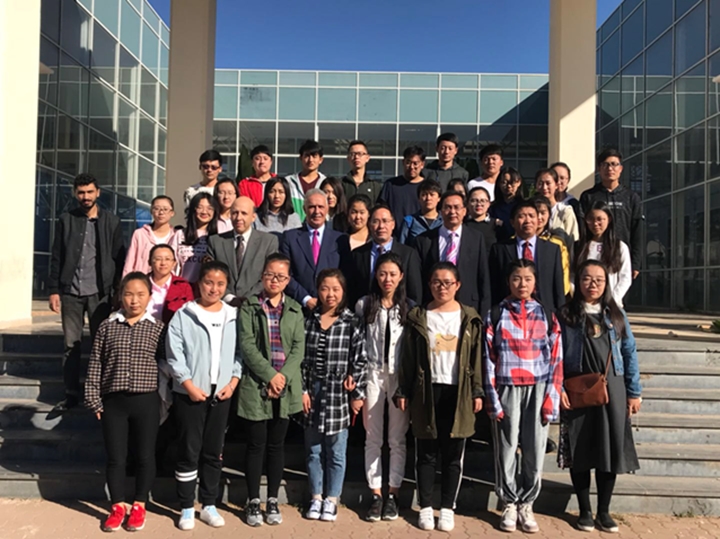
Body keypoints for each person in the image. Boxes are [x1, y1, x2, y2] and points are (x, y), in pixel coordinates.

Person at [395, 262, 483, 532]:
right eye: (436, 282)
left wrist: (477, 390)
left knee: (453, 454)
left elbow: (476, 358)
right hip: (427, 391)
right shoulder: (419, 316)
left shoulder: (469, 318)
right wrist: (404, 389)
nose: (441, 287)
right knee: (426, 452)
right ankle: (425, 506)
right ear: (429, 284)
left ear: (457, 285)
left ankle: (447, 508)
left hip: (458, 391)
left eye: (447, 283)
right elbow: (408, 358)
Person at [558, 260, 641, 533]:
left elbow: (629, 352)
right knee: (580, 448)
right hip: (578, 387)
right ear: (578, 281)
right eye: (586, 278)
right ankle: (584, 511)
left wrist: (634, 392)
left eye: (599, 280)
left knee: (609, 449)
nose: (592, 284)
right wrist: (558, 387)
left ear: (606, 284)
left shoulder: (616, 315)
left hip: (613, 387)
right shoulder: (566, 314)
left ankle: (604, 511)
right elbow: (555, 355)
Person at [483, 259, 563, 534]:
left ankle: (527, 503)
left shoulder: (547, 315)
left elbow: (556, 360)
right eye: (516, 278)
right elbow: (488, 358)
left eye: (528, 279)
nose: (522, 284)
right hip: (507, 386)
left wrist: (552, 398)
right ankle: (508, 502)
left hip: (538, 388)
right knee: (506, 447)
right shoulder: (496, 314)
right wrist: (492, 397)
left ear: (535, 283)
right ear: (509, 281)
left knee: (535, 448)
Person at [84, 272, 165, 532]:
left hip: (146, 401)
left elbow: (167, 365)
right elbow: (96, 363)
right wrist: (94, 399)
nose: (134, 300)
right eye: (128, 294)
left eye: (140, 294)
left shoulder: (158, 328)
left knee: (145, 456)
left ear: (150, 297)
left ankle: (139, 505)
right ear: (120, 296)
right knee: (116, 458)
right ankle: (117, 506)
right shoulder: (107, 326)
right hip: (114, 403)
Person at [166, 261, 242, 531]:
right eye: (209, 282)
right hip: (191, 393)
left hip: (221, 393)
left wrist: (233, 382)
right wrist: (187, 384)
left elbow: (239, 353)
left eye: (220, 284)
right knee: (189, 449)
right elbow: (174, 354)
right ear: (199, 283)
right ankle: (187, 506)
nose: (214, 288)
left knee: (213, 451)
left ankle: (209, 504)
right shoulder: (184, 314)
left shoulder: (233, 315)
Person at [237, 253, 306, 527]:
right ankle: (254, 499)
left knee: (277, 446)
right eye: (269, 275)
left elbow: (298, 349)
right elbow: (247, 345)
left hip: (285, 388)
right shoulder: (250, 306)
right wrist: (270, 376)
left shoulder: (295, 309)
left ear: (288, 280)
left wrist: (283, 378)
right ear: (262, 276)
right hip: (257, 385)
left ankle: (273, 499)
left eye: (280, 276)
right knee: (256, 445)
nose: (274, 280)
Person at [48, 173, 125, 411]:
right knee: (71, 345)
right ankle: (71, 394)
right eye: (81, 192)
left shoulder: (111, 221)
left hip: (100, 294)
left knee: (101, 345)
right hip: (71, 292)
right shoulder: (66, 220)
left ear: (98, 193)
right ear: (75, 194)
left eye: (90, 192)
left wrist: (117, 292)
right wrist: (54, 290)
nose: (85, 196)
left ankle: (101, 393)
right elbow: (57, 256)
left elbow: (119, 259)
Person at [302, 269, 368, 522]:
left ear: (343, 291)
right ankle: (316, 496)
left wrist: (357, 393)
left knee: (336, 451)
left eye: (335, 289)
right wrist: (303, 391)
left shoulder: (351, 321)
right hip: (313, 390)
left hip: (339, 392)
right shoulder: (309, 320)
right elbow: (300, 359)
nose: (330, 294)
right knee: (313, 450)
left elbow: (360, 360)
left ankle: (332, 498)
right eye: (325, 288)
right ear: (318, 291)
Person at [356, 252, 412, 522]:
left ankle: (393, 493)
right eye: (382, 273)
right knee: (373, 437)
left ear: (401, 276)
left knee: (397, 438)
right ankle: (376, 493)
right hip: (372, 375)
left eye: (392, 274)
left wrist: (406, 387)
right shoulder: (364, 304)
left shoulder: (409, 308)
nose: (387, 279)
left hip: (398, 377)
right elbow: (357, 345)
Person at [412, 191, 491, 317]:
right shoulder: (424, 240)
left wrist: (484, 313)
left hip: (468, 306)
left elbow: (483, 276)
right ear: (441, 211)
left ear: (464, 211)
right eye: (448, 207)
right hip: (433, 307)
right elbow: (418, 279)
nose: (452, 212)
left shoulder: (476, 238)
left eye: (457, 207)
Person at [489, 200, 565, 313]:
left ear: (538, 221)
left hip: (544, 311)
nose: (528, 220)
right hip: (509, 311)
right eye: (522, 216)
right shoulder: (499, 249)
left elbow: (558, 286)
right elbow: (494, 285)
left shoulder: (552, 249)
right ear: (512, 222)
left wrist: (560, 313)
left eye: (531, 216)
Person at [280, 189, 348, 309]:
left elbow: (345, 274)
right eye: (312, 207)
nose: (317, 211)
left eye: (321, 207)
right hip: (298, 306)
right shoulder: (290, 238)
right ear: (304, 209)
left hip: (332, 306)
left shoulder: (340, 239)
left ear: (327, 209)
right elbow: (285, 274)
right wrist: (306, 299)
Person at [579, 149, 642, 278]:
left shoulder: (631, 197)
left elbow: (638, 231)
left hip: (621, 256)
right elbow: (582, 228)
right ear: (599, 168)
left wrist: (635, 263)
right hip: (594, 255)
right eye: (605, 164)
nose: (610, 168)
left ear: (621, 168)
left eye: (614, 164)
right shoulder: (589, 196)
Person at [207, 196, 279, 307]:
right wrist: (229, 297)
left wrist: (248, 299)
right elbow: (210, 275)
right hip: (223, 305)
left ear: (253, 217)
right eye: (235, 213)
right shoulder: (216, 241)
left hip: (255, 305)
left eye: (244, 213)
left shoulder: (268, 242)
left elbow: (270, 275)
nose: (238, 218)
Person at [347, 204, 423, 306]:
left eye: (385, 221)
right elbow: (351, 290)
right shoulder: (357, 255)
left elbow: (415, 292)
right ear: (369, 225)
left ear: (393, 224)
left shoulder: (408, 254)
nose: (381, 226)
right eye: (376, 221)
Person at [576, 201, 632, 307]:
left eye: (599, 219)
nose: (595, 223)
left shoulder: (619, 247)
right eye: (591, 219)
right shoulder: (578, 246)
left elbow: (625, 277)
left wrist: (612, 300)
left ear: (609, 219)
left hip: (611, 306)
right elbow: (572, 275)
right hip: (582, 305)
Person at [170, 192, 218, 286]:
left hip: (206, 288)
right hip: (182, 286)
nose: (204, 212)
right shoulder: (180, 234)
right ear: (193, 209)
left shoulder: (217, 237)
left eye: (209, 208)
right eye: (200, 207)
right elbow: (171, 263)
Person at [123, 195, 176, 276]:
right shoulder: (140, 234)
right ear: (151, 211)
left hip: (168, 281)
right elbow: (130, 262)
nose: (161, 212)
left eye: (165, 209)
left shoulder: (177, 235)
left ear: (172, 213)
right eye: (157, 209)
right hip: (143, 280)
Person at [378, 146, 426, 230]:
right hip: (395, 234)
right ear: (403, 162)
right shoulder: (391, 185)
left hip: (420, 234)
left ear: (422, 164)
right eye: (408, 162)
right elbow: (382, 210)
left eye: (415, 163)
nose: (411, 167)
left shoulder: (427, 187)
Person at [534, 195, 572, 297]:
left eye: (543, 213)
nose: (539, 217)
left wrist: (561, 295)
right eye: (536, 213)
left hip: (550, 295)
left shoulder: (556, 242)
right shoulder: (518, 240)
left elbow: (564, 272)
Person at [146, 244, 194, 324]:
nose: (163, 263)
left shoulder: (183, 286)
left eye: (167, 259)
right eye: (158, 259)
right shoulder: (140, 283)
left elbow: (189, 314)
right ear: (150, 262)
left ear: (174, 263)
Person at [535, 167, 579, 245]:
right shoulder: (530, 210)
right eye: (540, 183)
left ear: (556, 185)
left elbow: (572, 241)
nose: (544, 187)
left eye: (548, 183)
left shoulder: (565, 211)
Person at [286, 140, 327, 220]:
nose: (310, 160)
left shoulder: (326, 183)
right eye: (307, 156)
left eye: (314, 156)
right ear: (301, 157)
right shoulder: (289, 182)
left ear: (321, 159)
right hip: (294, 225)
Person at [398, 179, 443, 245]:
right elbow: (401, 246)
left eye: (432, 194)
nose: (428, 198)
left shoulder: (444, 221)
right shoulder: (409, 221)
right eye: (424, 194)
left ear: (439, 198)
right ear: (419, 198)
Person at [490, 167, 525, 242]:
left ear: (519, 183)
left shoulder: (524, 206)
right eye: (504, 182)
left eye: (512, 182)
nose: (508, 186)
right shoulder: (493, 207)